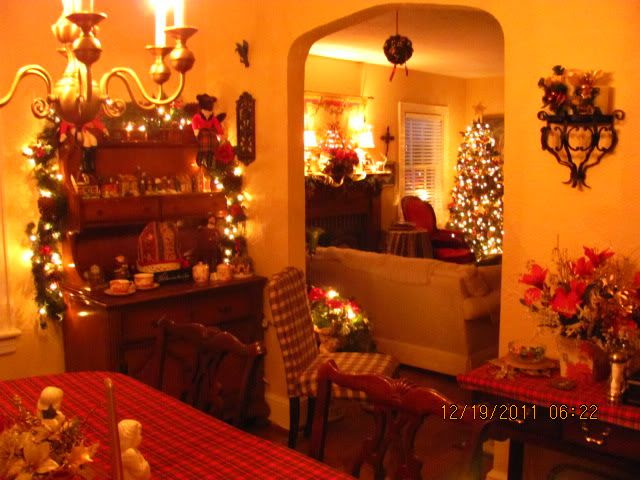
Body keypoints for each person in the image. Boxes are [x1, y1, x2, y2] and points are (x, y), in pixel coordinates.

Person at [191, 93, 225, 169]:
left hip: (210, 133)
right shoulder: (197, 116)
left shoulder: (212, 117)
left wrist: (220, 134)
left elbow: (217, 125)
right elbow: (194, 121)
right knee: (202, 144)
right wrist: (196, 130)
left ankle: (210, 157)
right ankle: (201, 155)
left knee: (212, 144)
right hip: (202, 133)